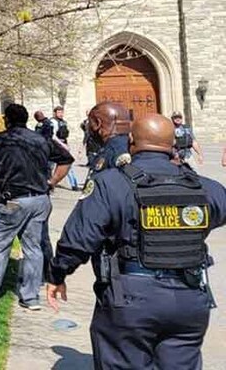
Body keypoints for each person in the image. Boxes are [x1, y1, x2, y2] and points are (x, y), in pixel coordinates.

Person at [47, 113, 226, 369]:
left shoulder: (111, 183)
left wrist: (58, 274)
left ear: (131, 140)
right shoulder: (203, 187)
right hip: (189, 297)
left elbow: (79, 238)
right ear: (173, 144)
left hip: (132, 297)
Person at [0, 103, 74, 310]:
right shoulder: (41, 139)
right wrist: (52, 182)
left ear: (7, 120)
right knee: (33, 248)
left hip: (12, 201)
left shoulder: (0, 139)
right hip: (39, 200)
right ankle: (30, 297)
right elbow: (66, 160)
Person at [85, 102, 132, 177]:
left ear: (98, 123)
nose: (89, 126)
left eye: (90, 122)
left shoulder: (113, 151)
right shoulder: (131, 145)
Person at [52, 106, 80, 191]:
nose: (61, 114)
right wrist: (61, 144)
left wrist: (66, 145)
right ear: (55, 113)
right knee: (50, 166)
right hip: (55, 145)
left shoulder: (64, 122)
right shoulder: (53, 122)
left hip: (63, 144)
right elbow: (53, 136)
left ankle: (74, 184)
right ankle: (50, 183)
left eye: (62, 112)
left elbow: (64, 135)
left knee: (68, 164)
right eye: (59, 112)